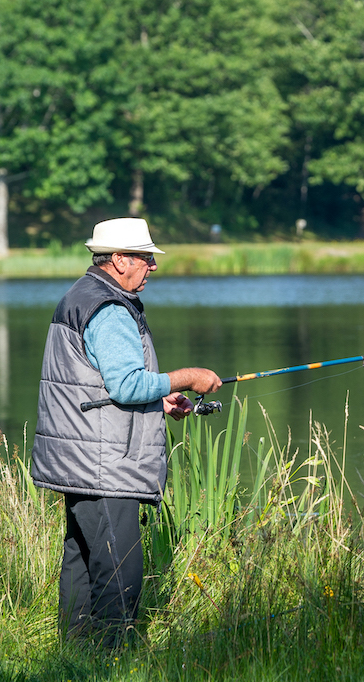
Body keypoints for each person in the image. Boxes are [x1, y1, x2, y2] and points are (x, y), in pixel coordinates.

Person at [30, 217, 221, 645]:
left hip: (81, 456)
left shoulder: (82, 294)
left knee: (81, 559)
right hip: (105, 462)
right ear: (118, 260)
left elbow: (97, 383)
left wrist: (160, 400)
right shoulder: (110, 308)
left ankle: (76, 656)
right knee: (120, 568)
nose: (152, 266)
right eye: (145, 257)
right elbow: (126, 384)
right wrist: (187, 377)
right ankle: (114, 662)